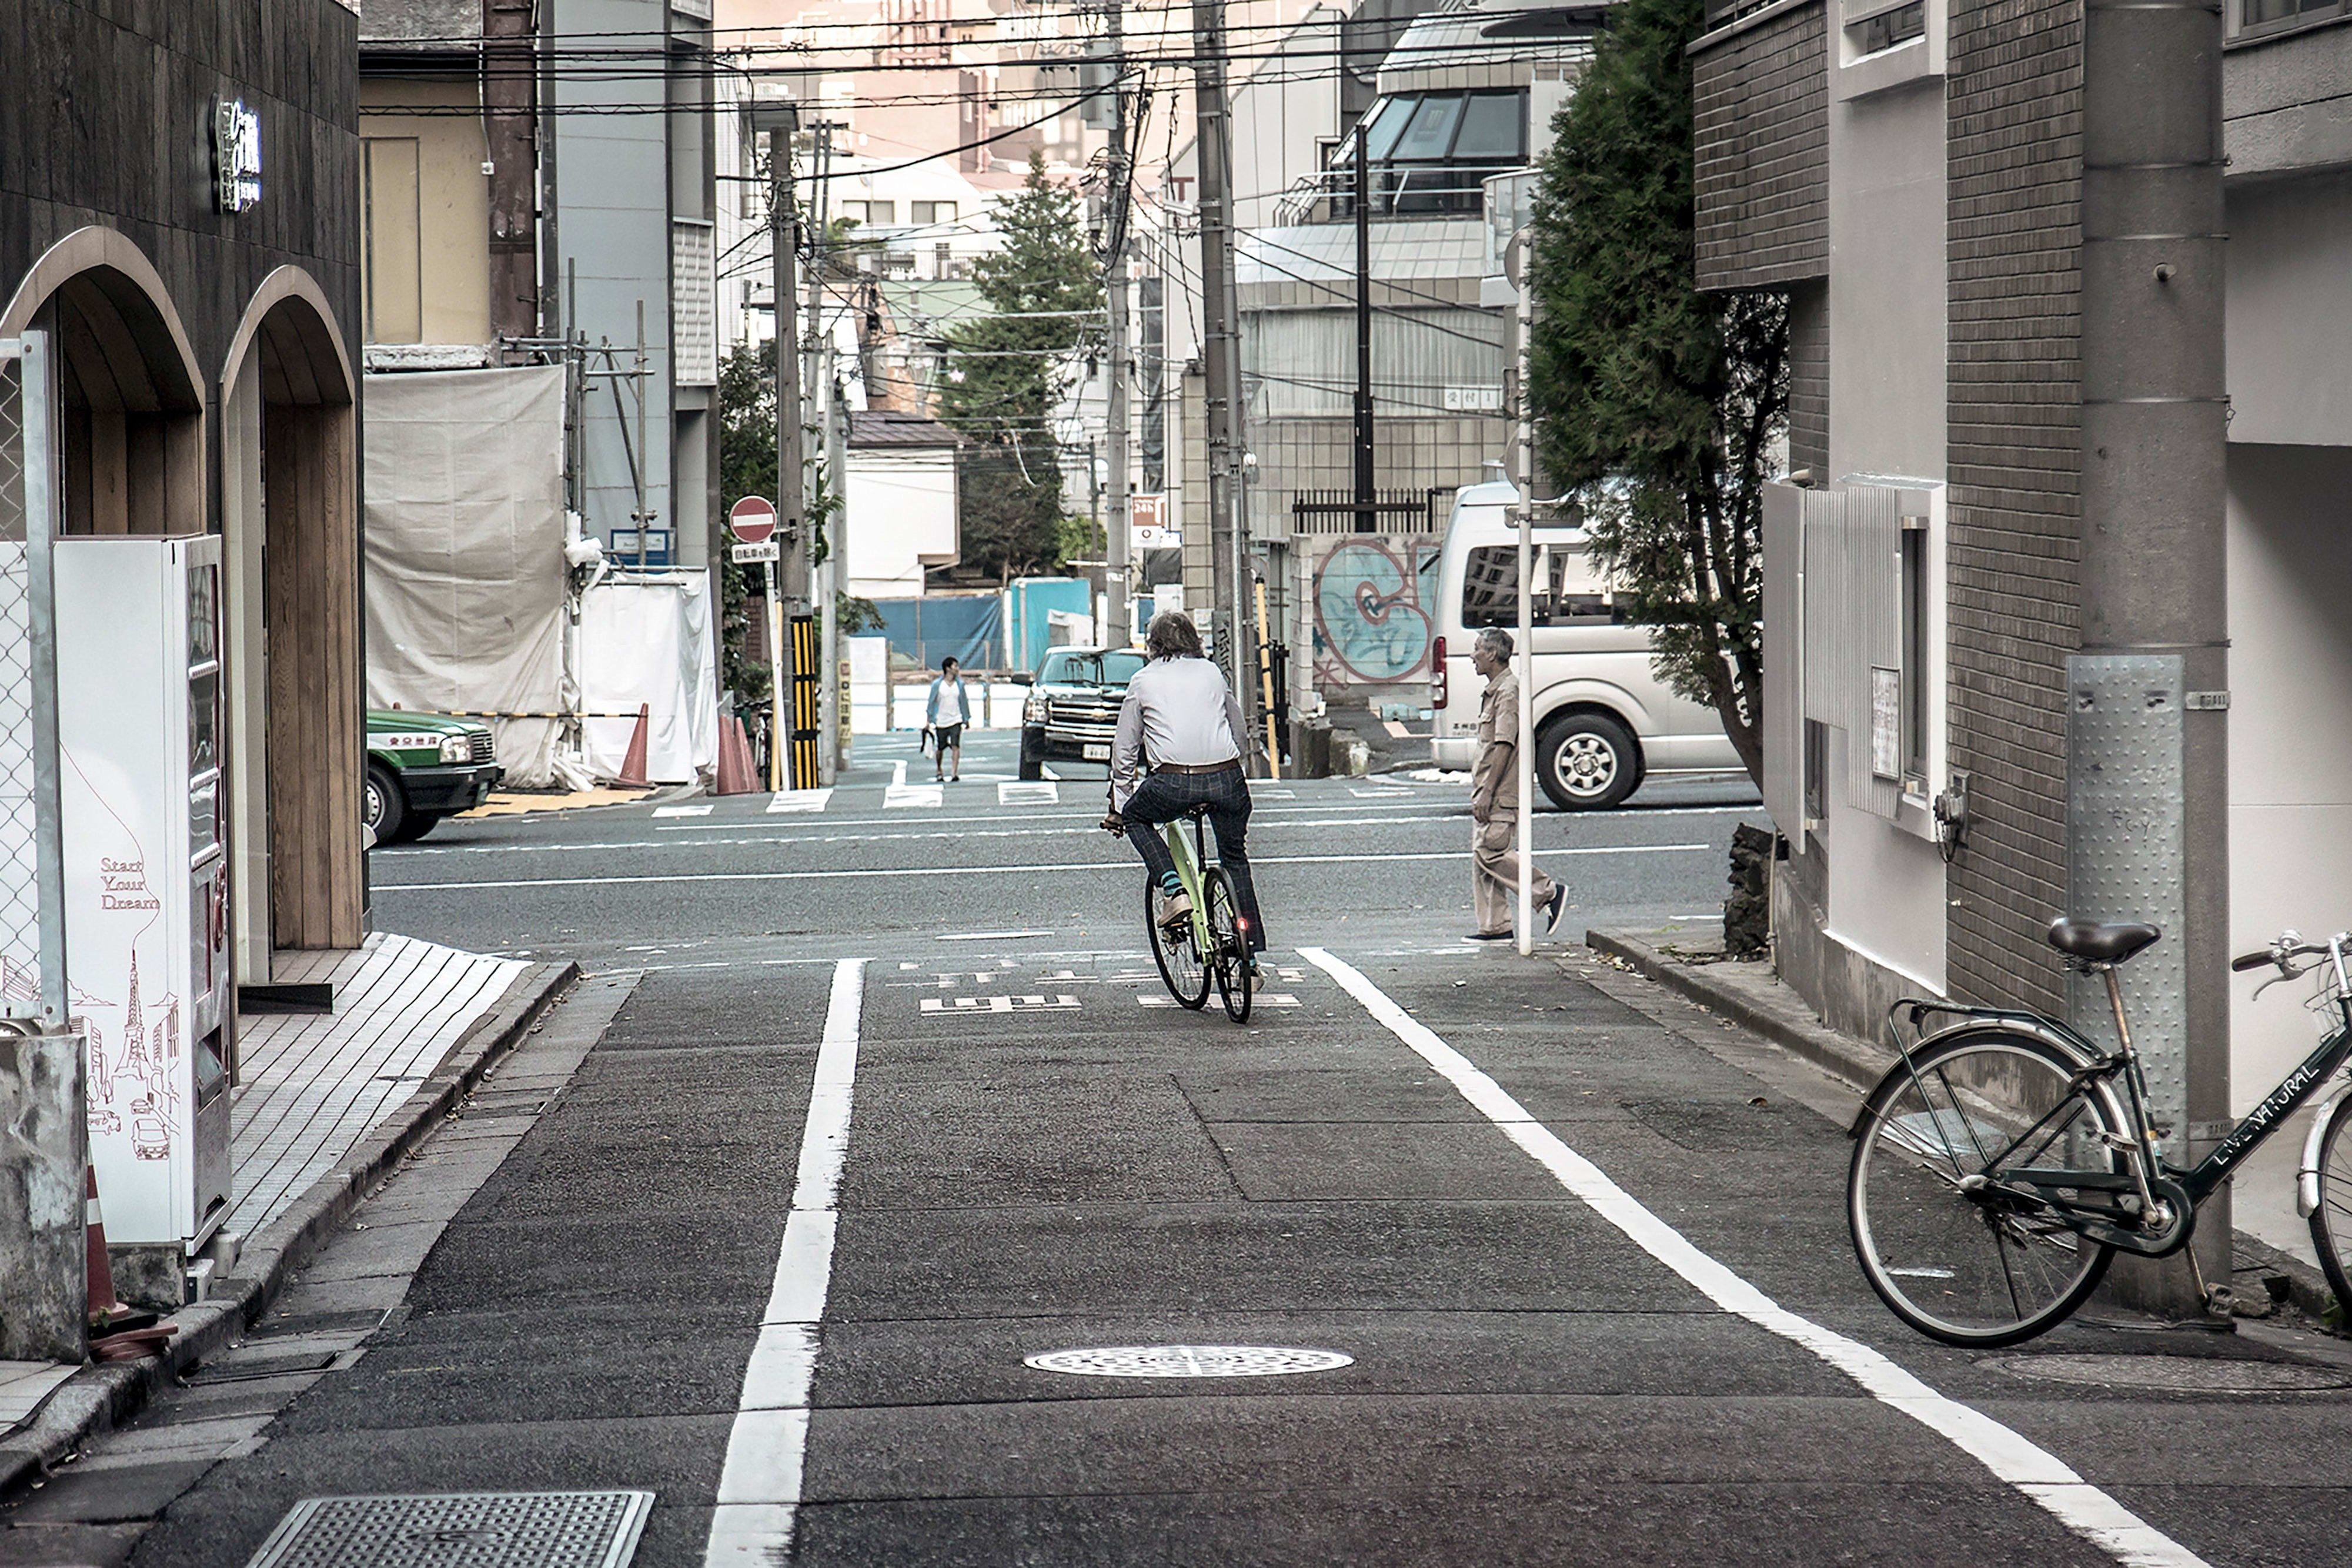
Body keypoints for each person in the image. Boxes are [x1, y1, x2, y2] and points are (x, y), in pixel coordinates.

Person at [1099, 611, 1267, 957]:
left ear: (1153, 644)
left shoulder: (1143, 680)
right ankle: (1249, 956)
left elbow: (1125, 748)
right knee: (1235, 857)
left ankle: (1175, 890)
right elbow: (1238, 729)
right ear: (1194, 640)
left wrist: (1119, 803)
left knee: (1136, 817)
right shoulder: (1212, 672)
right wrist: (1236, 771)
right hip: (1227, 778)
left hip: (1173, 782)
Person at [1468, 626, 1567, 942]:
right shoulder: (1496, 690)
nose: (1472, 656)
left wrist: (1488, 790)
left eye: (1477, 649)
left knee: (1490, 851)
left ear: (1492, 653)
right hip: (1490, 786)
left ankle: (1548, 891)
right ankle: (1495, 926)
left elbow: (1504, 744)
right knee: (1483, 859)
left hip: (1500, 790)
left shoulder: (1508, 692)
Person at [924, 657, 970, 782]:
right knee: (941, 747)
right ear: (948, 668)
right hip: (941, 720)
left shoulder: (960, 685)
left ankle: (954, 772)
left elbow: (964, 702)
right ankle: (939, 769)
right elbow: (932, 702)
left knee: (956, 746)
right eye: (955, 666)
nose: (957, 669)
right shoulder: (938, 685)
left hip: (956, 719)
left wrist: (966, 718)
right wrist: (929, 720)